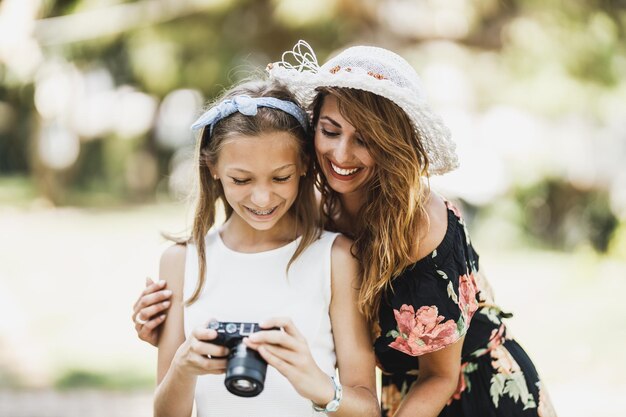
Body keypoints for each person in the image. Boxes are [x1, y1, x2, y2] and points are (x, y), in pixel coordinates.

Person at [134, 41, 557, 417]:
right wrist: (176, 327)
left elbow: (438, 377)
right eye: (330, 131)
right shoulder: (315, 211)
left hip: (471, 389)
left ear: (393, 143)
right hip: (395, 389)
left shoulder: (422, 225)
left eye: (365, 139)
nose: (341, 153)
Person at [149, 79, 379, 417]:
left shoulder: (336, 258)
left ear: (304, 165)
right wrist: (183, 368)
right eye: (241, 180)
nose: (262, 198)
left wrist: (316, 383)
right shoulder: (180, 262)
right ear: (212, 167)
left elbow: (369, 408)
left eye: (280, 177)